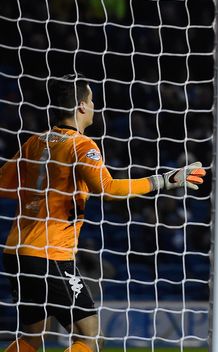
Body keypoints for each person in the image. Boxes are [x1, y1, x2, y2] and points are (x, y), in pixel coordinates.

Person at [0, 74, 206, 352]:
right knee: (89, 337)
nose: (95, 106)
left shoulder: (34, 142)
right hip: (49, 253)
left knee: (32, 337)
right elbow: (107, 189)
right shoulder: (82, 145)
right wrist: (165, 181)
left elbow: (4, 185)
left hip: (17, 251)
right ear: (82, 106)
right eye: (93, 100)